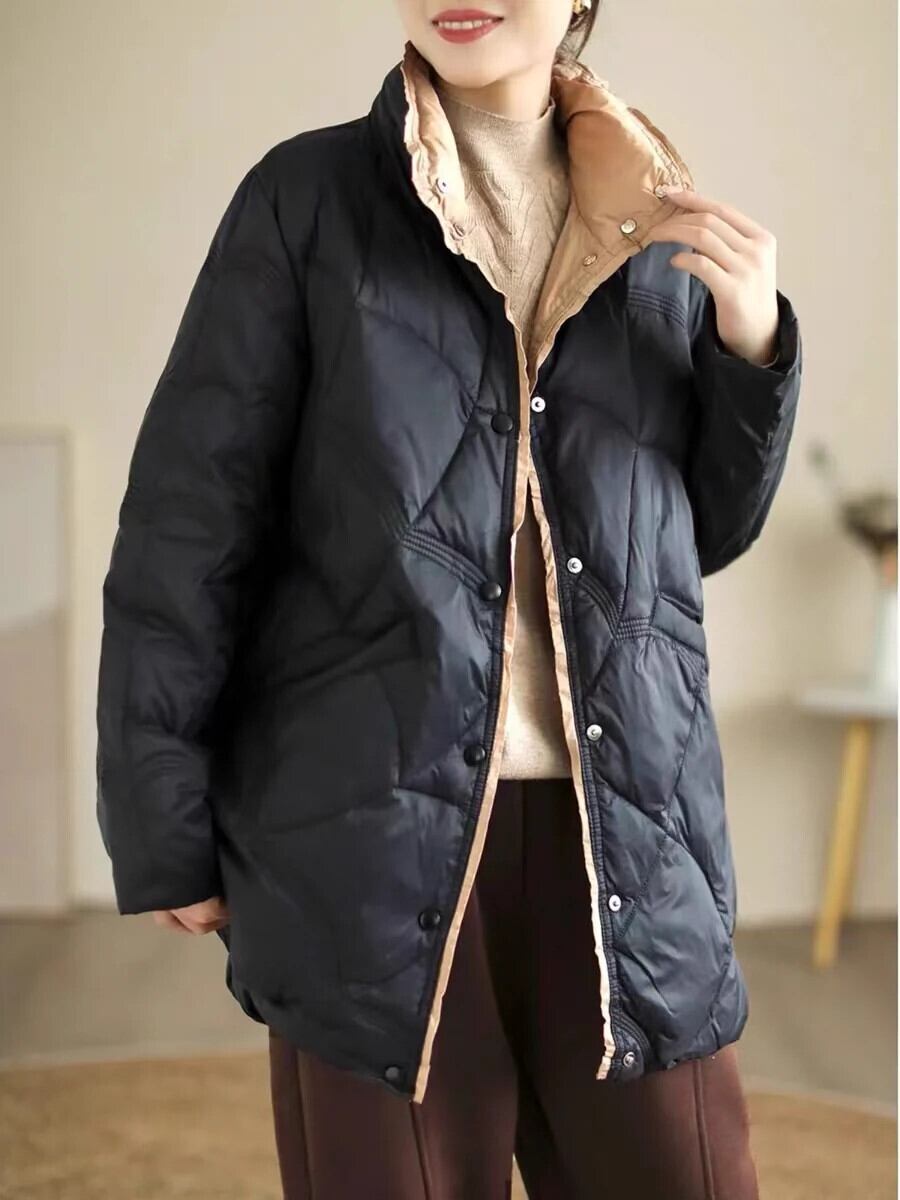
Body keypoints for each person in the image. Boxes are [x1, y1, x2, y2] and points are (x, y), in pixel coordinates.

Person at [96, 1, 803, 1196]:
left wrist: (753, 350)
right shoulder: (306, 200)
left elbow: (701, 540)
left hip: (626, 823)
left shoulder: (657, 218)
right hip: (367, 831)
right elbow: (188, 521)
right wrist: (160, 818)